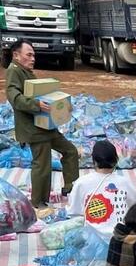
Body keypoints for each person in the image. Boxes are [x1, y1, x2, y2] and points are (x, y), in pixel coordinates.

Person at [4, 41, 79, 207]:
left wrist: (63, 106)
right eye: (29, 54)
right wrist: (35, 105)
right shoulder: (14, 72)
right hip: (33, 128)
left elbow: (45, 96)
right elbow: (14, 97)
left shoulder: (26, 72)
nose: (33, 58)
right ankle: (38, 202)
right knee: (42, 165)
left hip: (45, 125)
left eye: (33, 55)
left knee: (70, 151)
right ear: (16, 55)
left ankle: (70, 187)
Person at [67, 139, 136, 237]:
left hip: (92, 240)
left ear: (94, 161)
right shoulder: (123, 182)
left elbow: (74, 213)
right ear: (116, 160)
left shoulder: (81, 183)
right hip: (119, 237)